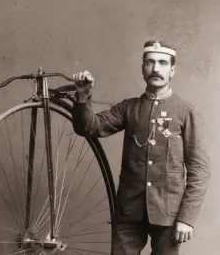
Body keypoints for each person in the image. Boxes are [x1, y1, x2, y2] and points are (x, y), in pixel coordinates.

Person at [71, 40, 210, 255]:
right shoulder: (128, 107)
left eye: (163, 63)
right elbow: (89, 127)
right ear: (143, 68)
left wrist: (187, 218)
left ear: (172, 69)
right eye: (150, 62)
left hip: (168, 214)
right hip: (128, 210)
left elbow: (199, 171)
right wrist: (82, 96)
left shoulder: (185, 111)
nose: (156, 69)